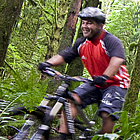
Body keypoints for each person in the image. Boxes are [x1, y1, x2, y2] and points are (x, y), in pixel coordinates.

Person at [38, 7, 130, 140]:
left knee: (107, 114)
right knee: (71, 99)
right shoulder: (82, 43)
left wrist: (105, 76)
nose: (85, 26)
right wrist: (47, 64)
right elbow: (65, 55)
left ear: (100, 25)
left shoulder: (110, 40)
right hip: (97, 82)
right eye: (83, 23)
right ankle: (64, 136)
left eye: (89, 23)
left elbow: (117, 59)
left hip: (116, 83)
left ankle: (104, 138)